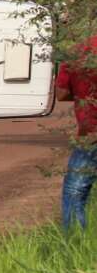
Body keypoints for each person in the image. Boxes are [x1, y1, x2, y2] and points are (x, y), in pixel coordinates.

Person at [55, 35, 97, 230]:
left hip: (90, 136)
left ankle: (75, 245)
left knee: (75, 192)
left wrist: (83, 93)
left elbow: (61, 93)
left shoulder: (79, 50)